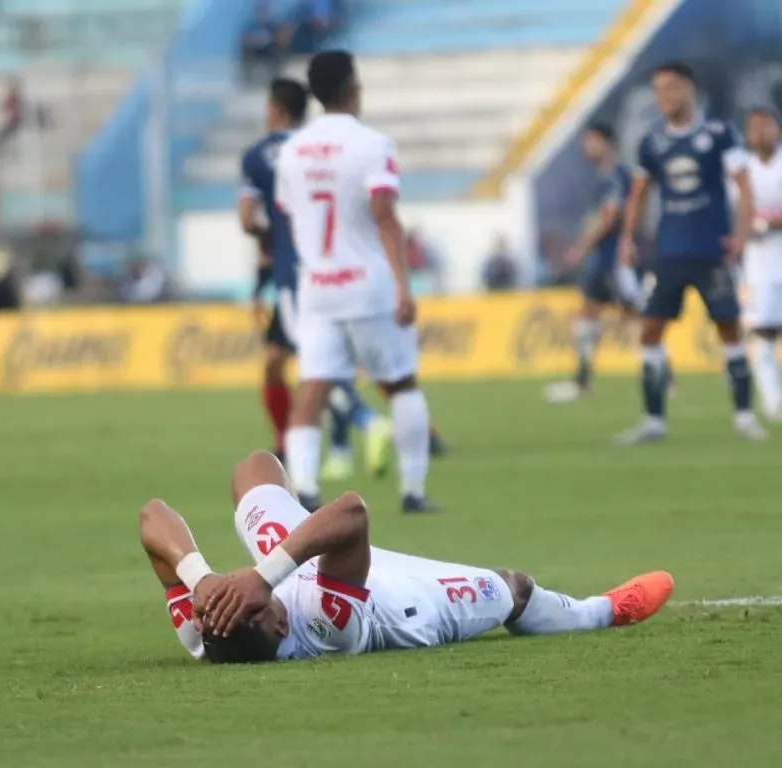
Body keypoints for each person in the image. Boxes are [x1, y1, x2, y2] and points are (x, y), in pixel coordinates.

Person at [140, 450, 674, 664]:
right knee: (513, 589)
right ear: (278, 622)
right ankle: (604, 610)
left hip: (308, 560)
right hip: (396, 602)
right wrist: (263, 577)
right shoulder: (328, 626)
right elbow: (351, 514)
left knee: (254, 471)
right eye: (258, 601)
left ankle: (296, 534)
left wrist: (199, 576)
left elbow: (151, 519)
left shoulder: (204, 629)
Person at [276, 50, 435, 512]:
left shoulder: (292, 149)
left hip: (318, 286)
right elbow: (385, 215)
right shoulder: (373, 144)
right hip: (367, 285)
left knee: (313, 389)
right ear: (350, 88)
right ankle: (413, 491)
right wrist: (404, 285)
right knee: (401, 383)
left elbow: (292, 219)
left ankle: (304, 490)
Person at [239, 77, 390, 481]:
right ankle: (290, 444)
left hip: (294, 276)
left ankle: (366, 421)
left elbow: (247, 219)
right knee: (278, 361)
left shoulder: (258, 156)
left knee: (316, 365)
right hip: (336, 267)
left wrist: (265, 247)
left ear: (274, 108)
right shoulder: (317, 150)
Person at [617, 62, 763, 443]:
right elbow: (639, 191)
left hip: (710, 249)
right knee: (649, 330)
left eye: (670, 88)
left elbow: (743, 186)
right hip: (669, 251)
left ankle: (744, 416)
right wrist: (627, 237)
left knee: (729, 329)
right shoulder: (652, 142)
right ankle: (654, 422)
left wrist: (741, 235)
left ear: (689, 90)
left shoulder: (718, 135)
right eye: (658, 90)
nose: (663, 97)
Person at [544, 124, 649, 403]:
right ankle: (581, 380)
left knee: (632, 317)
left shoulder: (614, 175)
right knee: (589, 314)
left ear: (607, 143)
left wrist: (580, 248)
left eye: (591, 141)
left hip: (613, 259)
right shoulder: (611, 175)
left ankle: (660, 373)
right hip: (605, 257)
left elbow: (608, 217)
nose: (586, 147)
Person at [742, 107, 782, 421]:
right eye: (754, 128)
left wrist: (765, 224)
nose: (760, 133)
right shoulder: (743, 171)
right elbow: (735, 216)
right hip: (759, 266)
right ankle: (774, 403)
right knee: (762, 334)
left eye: (766, 126)